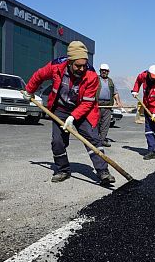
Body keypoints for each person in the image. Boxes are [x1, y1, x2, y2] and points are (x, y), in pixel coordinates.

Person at [23, 41, 115, 186]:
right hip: (60, 109)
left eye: (84, 65)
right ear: (70, 62)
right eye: (78, 66)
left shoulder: (91, 75)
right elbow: (39, 75)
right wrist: (29, 91)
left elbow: (87, 103)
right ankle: (63, 170)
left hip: (84, 111)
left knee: (93, 139)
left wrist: (73, 117)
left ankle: (103, 171)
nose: (82, 68)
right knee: (58, 141)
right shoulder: (56, 66)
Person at [131, 64, 155, 160]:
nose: (154, 79)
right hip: (147, 108)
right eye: (152, 77)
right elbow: (138, 80)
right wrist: (135, 90)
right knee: (149, 130)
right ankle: (151, 151)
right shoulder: (143, 75)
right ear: (148, 74)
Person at [96, 63, 122, 147]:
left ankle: (102, 140)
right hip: (97, 105)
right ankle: (96, 140)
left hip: (108, 106)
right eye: (102, 70)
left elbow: (115, 93)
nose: (104, 72)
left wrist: (118, 102)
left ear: (108, 71)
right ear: (100, 71)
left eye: (106, 71)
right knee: (96, 123)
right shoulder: (96, 79)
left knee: (105, 124)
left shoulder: (110, 81)